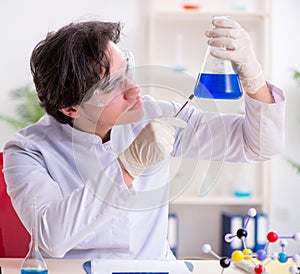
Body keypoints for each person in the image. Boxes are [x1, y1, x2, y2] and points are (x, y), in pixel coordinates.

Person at [3, 17, 285, 260]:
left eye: (127, 68)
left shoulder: (155, 114)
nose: (134, 88)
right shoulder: (28, 151)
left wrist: (254, 78)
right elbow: (52, 237)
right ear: (71, 108)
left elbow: (258, 146)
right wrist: (128, 166)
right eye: (113, 85)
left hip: (155, 269)